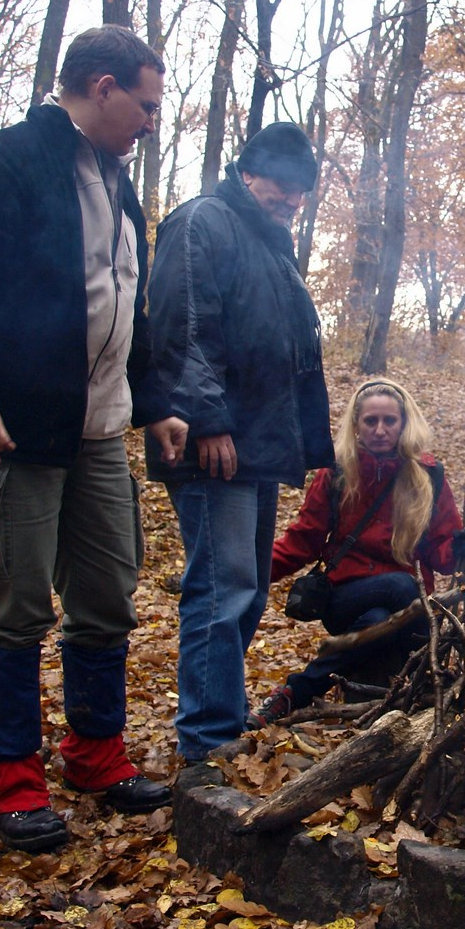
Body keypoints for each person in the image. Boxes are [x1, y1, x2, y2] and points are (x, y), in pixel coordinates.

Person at [0, 25, 185, 853]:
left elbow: (124, 311)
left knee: (107, 596)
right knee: (15, 606)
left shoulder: (122, 188)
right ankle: (11, 781)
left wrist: (156, 402)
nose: (149, 124)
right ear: (100, 88)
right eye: (143, 106)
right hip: (13, 434)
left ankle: (95, 755)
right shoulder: (4, 163)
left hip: (100, 432)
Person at [145, 121, 335, 761]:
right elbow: (183, 324)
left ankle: (217, 716)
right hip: (213, 443)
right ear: (249, 172)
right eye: (281, 184)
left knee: (248, 587)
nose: (290, 198)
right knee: (223, 589)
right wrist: (207, 419)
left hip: (255, 444)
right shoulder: (204, 221)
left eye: (300, 190)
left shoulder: (270, 242)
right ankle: (207, 738)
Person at [253, 379, 465, 725]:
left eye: (389, 421)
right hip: (344, 597)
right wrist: (248, 573)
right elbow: (304, 540)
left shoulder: (427, 475)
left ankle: (293, 694)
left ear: (404, 423)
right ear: (356, 424)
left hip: (404, 611)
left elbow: (440, 552)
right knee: (404, 588)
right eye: (370, 421)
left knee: (381, 619)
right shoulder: (338, 471)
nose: (379, 430)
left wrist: (462, 548)